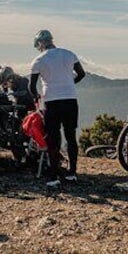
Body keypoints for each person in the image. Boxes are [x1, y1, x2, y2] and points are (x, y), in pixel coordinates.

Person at [29, 29, 85, 187]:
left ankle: (54, 175)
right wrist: (68, 84)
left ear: (40, 43)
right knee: (71, 135)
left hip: (51, 101)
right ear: (51, 40)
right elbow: (81, 74)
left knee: (53, 138)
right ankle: (72, 172)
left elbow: (31, 86)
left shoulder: (38, 60)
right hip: (70, 99)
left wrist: (37, 97)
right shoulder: (69, 54)